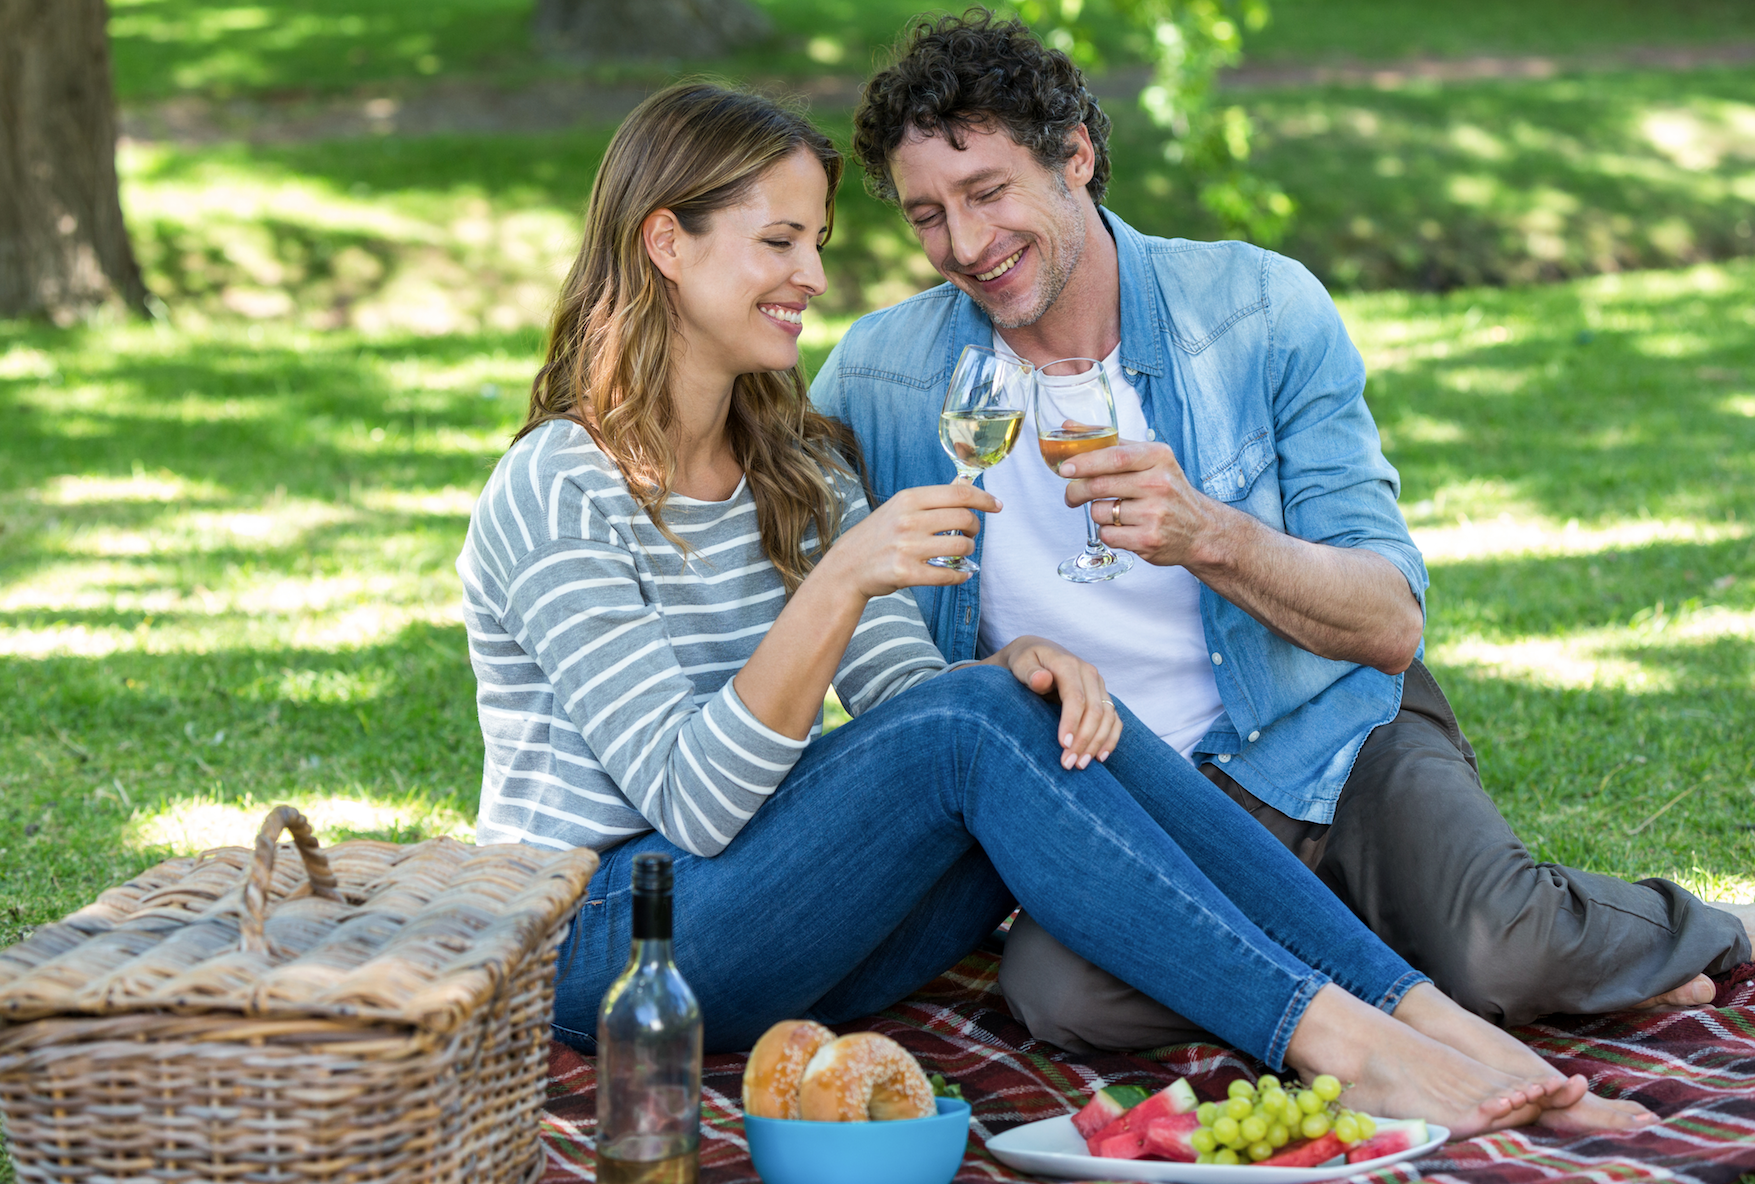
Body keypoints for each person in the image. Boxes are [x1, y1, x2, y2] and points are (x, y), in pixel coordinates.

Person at [456, 81, 1651, 1137]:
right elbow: (692, 802)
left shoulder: (795, 461)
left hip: (784, 920)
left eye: (817, 240)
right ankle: (1348, 1043)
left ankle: (1437, 1020)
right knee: (984, 715)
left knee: (1023, 700)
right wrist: (842, 582)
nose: (815, 277)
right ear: (665, 241)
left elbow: (901, 706)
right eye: (779, 241)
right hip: (619, 934)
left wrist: (1025, 660)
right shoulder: (560, 486)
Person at [811, 11, 1752, 1055]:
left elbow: (1390, 620)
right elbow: (754, 478)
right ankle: (1386, 959)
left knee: (1506, 951)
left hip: (1333, 738)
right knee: (1064, 998)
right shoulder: (881, 375)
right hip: (1136, 798)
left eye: (988, 193)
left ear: (1074, 156)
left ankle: (1683, 935)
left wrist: (1211, 534)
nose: (967, 246)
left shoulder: (1260, 307)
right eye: (928, 216)